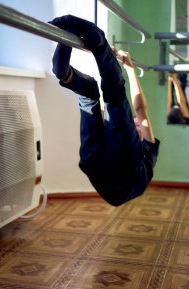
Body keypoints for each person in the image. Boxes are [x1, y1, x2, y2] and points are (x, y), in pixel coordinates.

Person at [49, 15, 160, 206]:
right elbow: (138, 112)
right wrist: (128, 68)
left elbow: (138, 111)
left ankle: (99, 43)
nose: (137, 122)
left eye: (137, 124)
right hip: (101, 167)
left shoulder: (139, 150)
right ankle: (63, 72)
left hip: (110, 168)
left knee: (113, 97)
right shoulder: (145, 152)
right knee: (92, 94)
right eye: (137, 125)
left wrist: (130, 68)